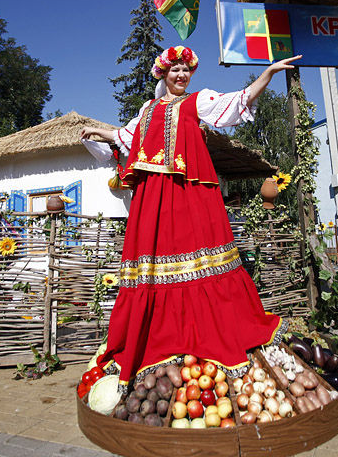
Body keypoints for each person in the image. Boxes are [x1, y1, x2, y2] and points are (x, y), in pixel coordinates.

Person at [80, 46, 300, 391]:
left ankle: (212, 335)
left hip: (189, 193)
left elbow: (235, 103)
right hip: (153, 198)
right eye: (175, 70)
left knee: (201, 256)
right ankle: (160, 340)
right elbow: (127, 135)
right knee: (156, 262)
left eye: (186, 70)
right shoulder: (148, 110)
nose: (181, 76)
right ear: (163, 74)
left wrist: (267, 74)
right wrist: (99, 132)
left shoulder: (197, 101)